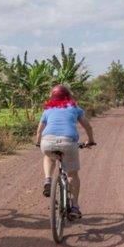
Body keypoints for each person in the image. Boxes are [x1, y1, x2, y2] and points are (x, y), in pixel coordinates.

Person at [35, 85, 95, 220]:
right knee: (72, 174)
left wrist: (39, 142)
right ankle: (74, 206)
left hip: (48, 141)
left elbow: (39, 131)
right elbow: (88, 127)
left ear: (52, 97)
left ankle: (48, 180)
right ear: (68, 96)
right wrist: (90, 141)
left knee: (48, 156)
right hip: (69, 142)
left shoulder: (48, 110)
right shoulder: (75, 108)